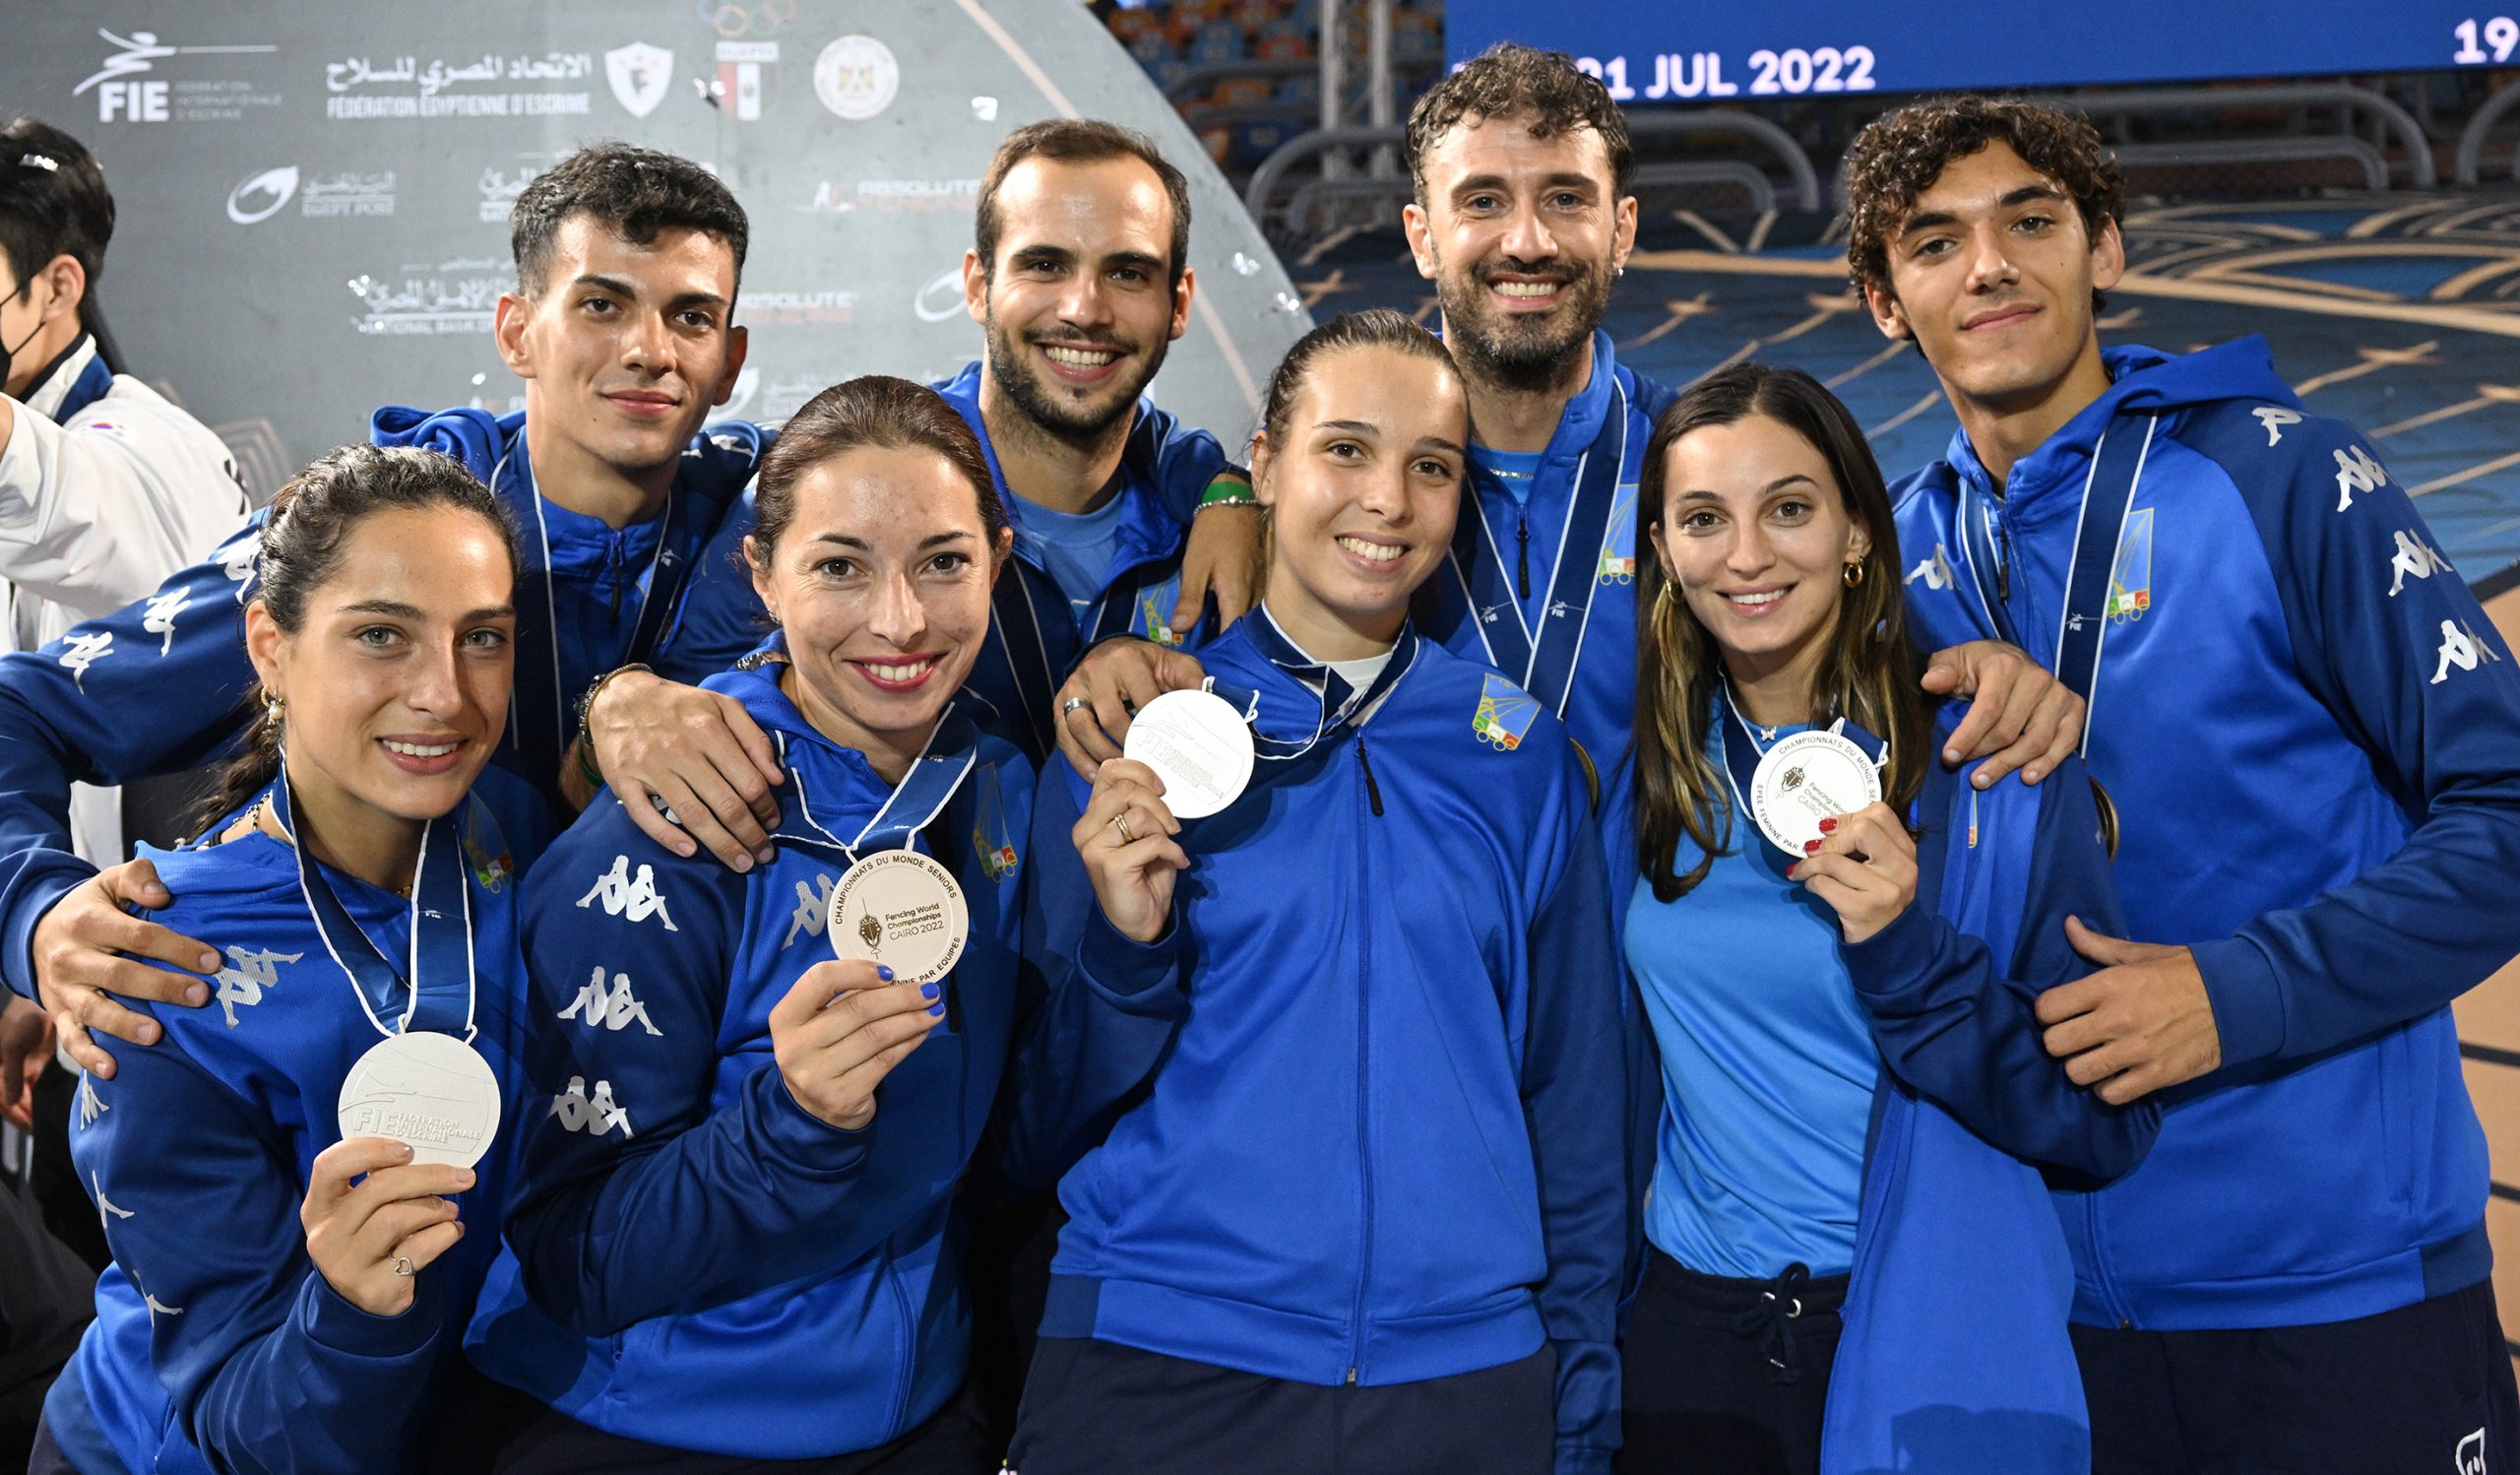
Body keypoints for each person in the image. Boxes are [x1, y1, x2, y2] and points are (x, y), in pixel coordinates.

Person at [1849, 96, 2520, 1473]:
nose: (1989, 266)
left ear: (2104, 249)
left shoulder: (2283, 477)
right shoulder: (1889, 557)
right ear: (1881, 299)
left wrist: (2237, 992)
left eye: (2030, 221)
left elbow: (2506, 813)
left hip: (2336, 1287)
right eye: (1934, 242)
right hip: (2041, 1317)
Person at [1050, 47, 2082, 801]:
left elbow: (1860, 625)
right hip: (1421, 986)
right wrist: (1198, 541)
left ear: (1621, 227)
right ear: (1421, 234)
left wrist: (1986, 666)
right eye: (1484, 201)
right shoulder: (1341, 499)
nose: (1528, 240)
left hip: (1654, 1027)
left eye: (1566, 199)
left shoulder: (1705, 478)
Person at [465, 377, 1144, 1471]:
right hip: (642, 1430)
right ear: (762, 575)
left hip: (919, 1413)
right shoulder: (671, 821)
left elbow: (1012, 1147)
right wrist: (792, 1127)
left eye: (943, 560)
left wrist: (1128, 956)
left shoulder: (997, 787)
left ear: (1000, 556)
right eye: (839, 566)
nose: (899, 619)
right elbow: (571, 1255)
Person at [0, 144, 773, 1084]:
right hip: (374, 1112)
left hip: (677, 1126)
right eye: (601, 304)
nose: (649, 349)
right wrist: (33, 914)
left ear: (729, 360)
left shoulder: (783, 534)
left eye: (690, 316)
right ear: (517, 331)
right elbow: (22, 711)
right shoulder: (377, 539)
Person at [1009, 310, 1627, 1475]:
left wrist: (1577, 1403)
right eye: (1345, 449)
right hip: (1161, 1368)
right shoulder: (1129, 734)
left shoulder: (1518, 755)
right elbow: (1030, 1127)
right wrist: (1125, 955)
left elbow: (1576, 1106)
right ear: (1264, 465)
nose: (1387, 500)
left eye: (1430, 467)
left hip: (1460, 1380)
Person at [1612, 362, 2157, 1475]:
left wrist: (1910, 953)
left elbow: (2100, 1125)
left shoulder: (1993, 769)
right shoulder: (1645, 772)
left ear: (1859, 529)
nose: (1749, 555)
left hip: (1924, 1327)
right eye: (1704, 519)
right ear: (1662, 550)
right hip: (1687, 1340)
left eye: (1791, 508)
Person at [31, 443, 534, 1475]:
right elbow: (244, 1424)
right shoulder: (159, 972)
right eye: (381, 635)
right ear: (270, 645)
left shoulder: (517, 839)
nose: (445, 693)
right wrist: (353, 1312)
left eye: (481, 638)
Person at [663, 118, 1265, 762]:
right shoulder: (828, 494)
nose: (1085, 309)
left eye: (1127, 273)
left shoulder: (1213, 510)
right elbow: (684, 725)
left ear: (1178, 303)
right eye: (1044, 264)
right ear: (978, 286)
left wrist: (1231, 493)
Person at [0, 116, 251, 1278]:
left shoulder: (139, 446)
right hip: (58, 967)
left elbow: (59, 503)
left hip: (160, 994)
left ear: (58, 285)